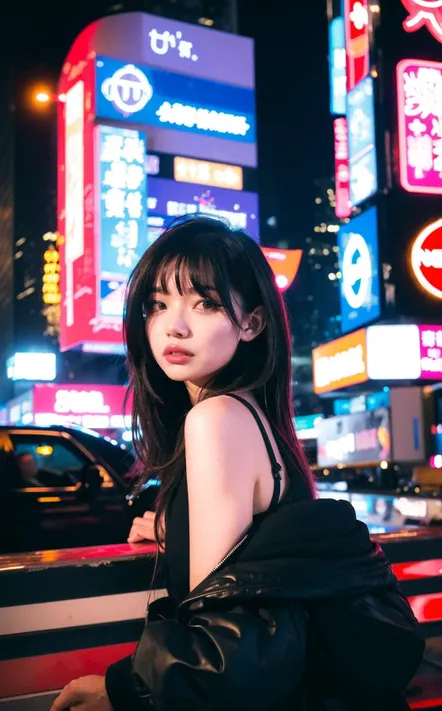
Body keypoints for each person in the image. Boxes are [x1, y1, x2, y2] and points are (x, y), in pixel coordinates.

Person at [51, 217, 423, 711]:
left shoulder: (214, 417)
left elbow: (218, 648)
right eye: (157, 304)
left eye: (204, 303)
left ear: (252, 322)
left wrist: (121, 690)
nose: (174, 325)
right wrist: (178, 528)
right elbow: (259, 563)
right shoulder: (258, 417)